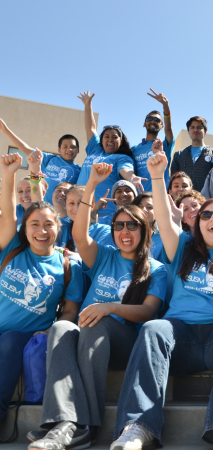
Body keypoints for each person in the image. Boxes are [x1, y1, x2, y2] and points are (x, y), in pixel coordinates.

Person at [111, 150, 213, 450]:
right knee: (153, 329)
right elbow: (165, 221)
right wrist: (157, 176)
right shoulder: (181, 247)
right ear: (197, 223)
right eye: (206, 214)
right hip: (182, 338)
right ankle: (138, 427)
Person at [28, 162, 167, 450]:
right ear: (112, 229)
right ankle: (64, 423)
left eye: (133, 226)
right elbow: (80, 235)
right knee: (62, 326)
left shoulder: (157, 269)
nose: (125, 231)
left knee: (94, 323)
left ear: (145, 230)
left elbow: (148, 312)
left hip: (125, 343)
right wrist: (90, 183)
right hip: (90, 336)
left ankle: (87, 426)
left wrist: (110, 308)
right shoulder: (105, 255)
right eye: (119, 226)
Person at [0, 152, 83, 431]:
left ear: (58, 228)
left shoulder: (68, 263)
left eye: (49, 224)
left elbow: (71, 310)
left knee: (10, 341)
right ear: (25, 228)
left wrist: (52, 330)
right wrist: (10, 174)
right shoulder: (11, 248)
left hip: (22, 336)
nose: (42, 230)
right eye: (34, 224)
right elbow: (10, 211)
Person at [76, 91, 145, 216]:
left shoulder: (122, 158)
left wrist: (131, 177)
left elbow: (125, 170)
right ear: (101, 140)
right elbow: (91, 128)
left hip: (103, 213)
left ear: (121, 140)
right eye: (106, 136)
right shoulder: (95, 149)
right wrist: (87, 105)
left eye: (115, 137)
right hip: (79, 208)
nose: (110, 140)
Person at [0, 118, 81, 204]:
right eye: (65, 146)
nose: (69, 149)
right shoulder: (49, 158)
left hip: (60, 212)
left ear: (78, 150)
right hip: (39, 205)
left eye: (73, 147)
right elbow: (25, 148)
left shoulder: (79, 171)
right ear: (59, 150)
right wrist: (6, 130)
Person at [131, 89, 175, 192]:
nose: (153, 121)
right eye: (149, 119)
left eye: (157, 120)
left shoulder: (164, 145)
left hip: (161, 197)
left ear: (162, 126)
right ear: (144, 124)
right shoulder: (134, 149)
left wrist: (165, 105)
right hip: (140, 198)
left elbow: (169, 129)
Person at [57, 184, 114, 251]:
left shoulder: (103, 231)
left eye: (81, 203)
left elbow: (98, 260)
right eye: (71, 203)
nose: (76, 209)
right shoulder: (60, 227)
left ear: (92, 206)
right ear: (65, 205)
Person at [170, 116, 213, 192]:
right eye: (192, 127)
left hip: (205, 199)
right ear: (188, 131)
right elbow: (173, 178)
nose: (195, 130)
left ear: (205, 131)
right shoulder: (179, 154)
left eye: (199, 127)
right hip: (183, 199)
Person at [132, 192, 163, 261]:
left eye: (149, 207)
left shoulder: (163, 241)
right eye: (139, 207)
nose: (144, 210)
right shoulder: (123, 236)